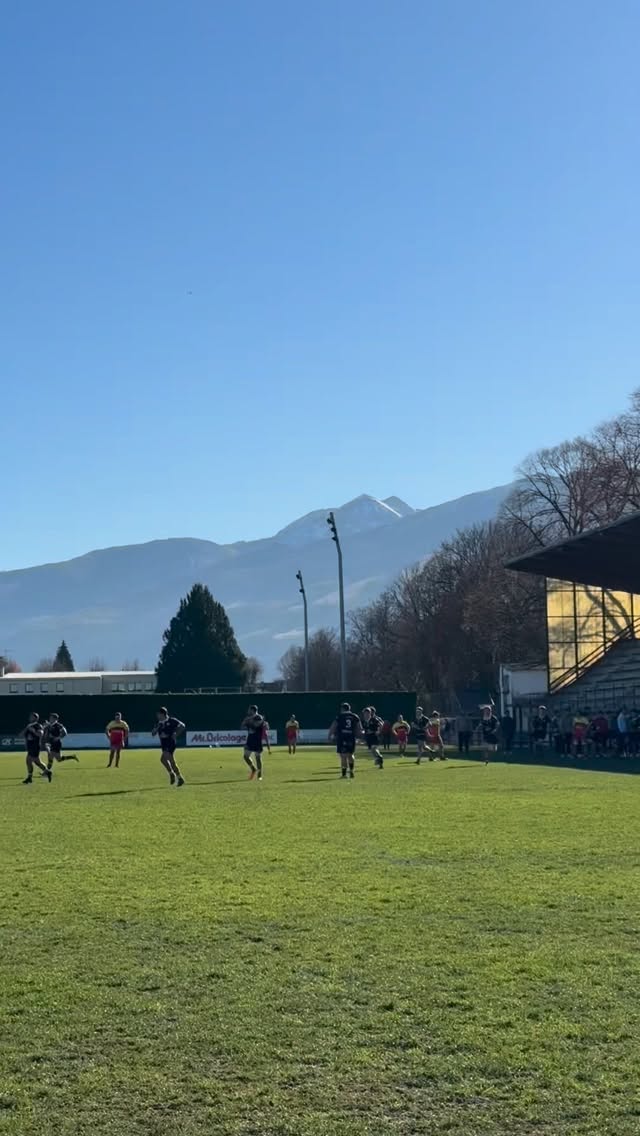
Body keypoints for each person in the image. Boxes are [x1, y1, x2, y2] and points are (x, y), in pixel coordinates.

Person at [151, 707, 185, 786]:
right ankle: (171, 773)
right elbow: (153, 733)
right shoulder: (158, 723)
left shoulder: (171, 720)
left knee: (170, 759)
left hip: (170, 743)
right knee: (163, 760)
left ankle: (180, 778)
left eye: (158, 714)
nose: (157, 716)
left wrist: (175, 734)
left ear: (163, 714)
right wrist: (156, 729)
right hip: (163, 744)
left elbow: (182, 726)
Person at [329, 702, 362, 778]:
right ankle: (351, 770)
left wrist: (330, 735)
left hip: (342, 737)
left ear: (342, 709)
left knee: (343, 756)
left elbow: (333, 726)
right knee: (351, 754)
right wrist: (359, 736)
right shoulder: (355, 716)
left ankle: (344, 775)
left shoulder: (340, 716)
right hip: (351, 737)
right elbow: (359, 728)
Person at [19, 713, 51, 784]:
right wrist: (27, 728)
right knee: (37, 762)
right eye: (30, 716)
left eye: (31, 717)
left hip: (35, 747)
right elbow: (20, 735)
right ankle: (47, 772)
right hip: (30, 747)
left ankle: (30, 778)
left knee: (29, 761)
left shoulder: (38, 726)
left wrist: (33, 730)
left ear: (36, 718)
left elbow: (40, 734)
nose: (30, 718)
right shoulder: (29, 726)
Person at [241, 705, 266, 781]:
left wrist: (250, 723)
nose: (248, 711)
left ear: (252, 710)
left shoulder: (259, 717)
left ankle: (259, 774)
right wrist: (246, 723)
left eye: (249, 710)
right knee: (245, 756)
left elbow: (256, 725)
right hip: (250, 739)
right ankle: (253, 769)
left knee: (258, 757)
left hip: (257, 739)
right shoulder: (248, 718)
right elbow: (242, 726)